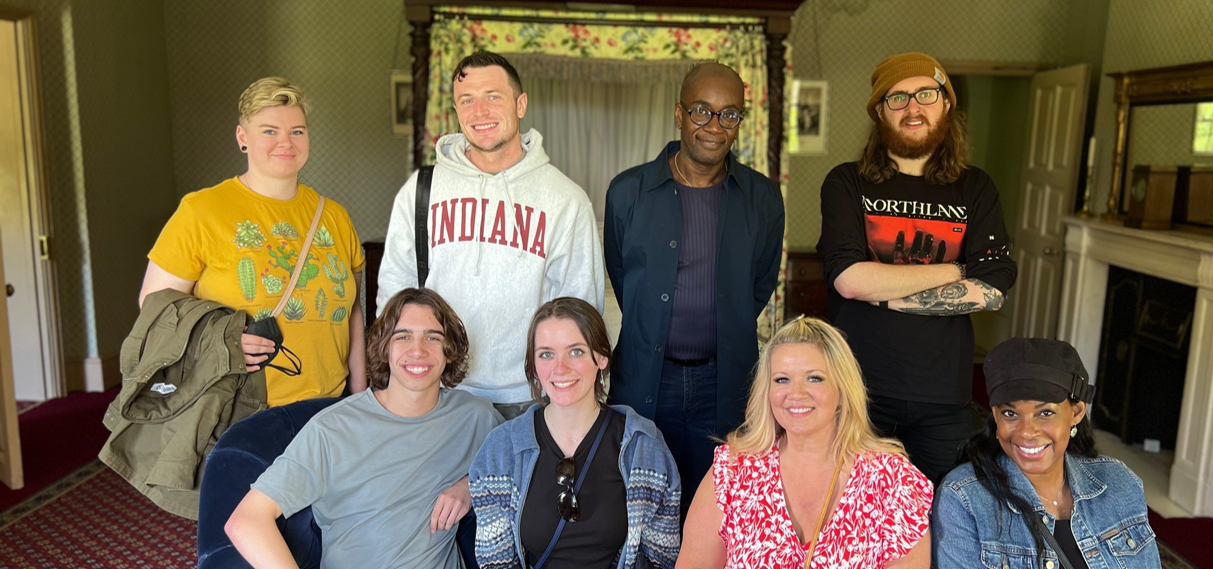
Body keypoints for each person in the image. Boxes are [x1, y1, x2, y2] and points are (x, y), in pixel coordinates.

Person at [224, 288, 503, 569]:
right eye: (403, 336)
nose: (418, 350)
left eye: (433, 336)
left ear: (450, 350)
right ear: (383, 348)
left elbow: (523, 471)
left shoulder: (475, 417)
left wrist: (471, 484)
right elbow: (245, 522)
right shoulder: (332, 429)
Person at [674, 316, 934, 569]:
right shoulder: (734, 467)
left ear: (842, 391)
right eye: (781, 380)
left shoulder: (893, 480)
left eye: (814, 378)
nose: (795, 394)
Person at [932, 337, 1194, 569]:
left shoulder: (1118, 485)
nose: (1025, 432)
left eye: (1044, 413)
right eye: (1010, 414)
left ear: (1076, 412)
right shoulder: (964, 498)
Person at [468, 297, 681, 569]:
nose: (560, 368)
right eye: (546, 354)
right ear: (533, 364)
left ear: (602, 358)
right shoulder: (501, 451)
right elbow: (496, 568)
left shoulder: (643, 446)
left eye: (576, 351)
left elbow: (661, 565)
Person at [816, 52, 1018, 484]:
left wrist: (882, 291)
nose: (913, 107)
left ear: (945, 104)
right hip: (858, 393)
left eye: (927, 94)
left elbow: (995, 287)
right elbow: (850, 280)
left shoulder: (976, 186)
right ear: (879, 113)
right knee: (856, 520)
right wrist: (956, 270)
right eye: (898, 97)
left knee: (943, 522)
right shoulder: (846, 182)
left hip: (945, 397)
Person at [378, 51, 605, 420]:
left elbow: (580, 310)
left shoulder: (566, 200)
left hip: (531, 398)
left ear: (521, 104)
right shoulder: (421, 191)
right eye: (467, 101)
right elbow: (394, 293)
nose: (479, 112)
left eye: (493, 97)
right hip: (438, 390)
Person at [604, 61, 785, 510]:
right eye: (702, 111)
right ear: (679, 114)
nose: (714, 126)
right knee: (641, 503)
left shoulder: (762, 198)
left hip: (726, 381)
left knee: (718, 511)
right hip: (647, 377)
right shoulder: (627, 192)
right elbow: (622, 276)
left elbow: (758, 285)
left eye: (729, 114)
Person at [140, 77, 366, 407]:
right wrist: (223, 340)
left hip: (329, 407)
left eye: (297, 131)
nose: (286, 142)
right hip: (238, 408)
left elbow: (352, 312)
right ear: (243, 137)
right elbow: (154, 306)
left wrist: (359, 398)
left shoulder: (335, 216)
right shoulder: (201, 210)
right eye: (269, 131)